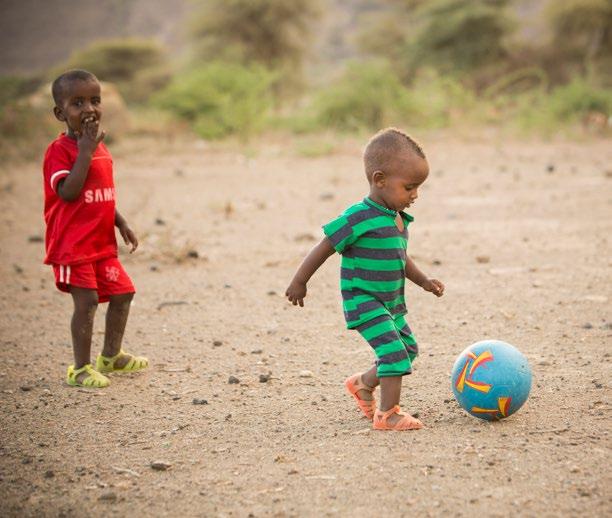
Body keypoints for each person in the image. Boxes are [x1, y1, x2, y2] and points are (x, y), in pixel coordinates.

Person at [286, 128, 444, 430]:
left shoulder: (397, 217)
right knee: (393, 353)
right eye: (409, 187)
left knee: (408, 350)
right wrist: (300, 281)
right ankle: (387, 415)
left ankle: (362, 385)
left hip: (391, 301)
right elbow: (326, 245)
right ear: (379, 179)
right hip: (365, 299)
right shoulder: (358, 216)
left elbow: (400, 257)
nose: (415, 195)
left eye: (418, 187)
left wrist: (423, 280)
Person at [43, 69, 148, 388]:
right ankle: (80, 368)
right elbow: (69, 192)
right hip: (72, 246)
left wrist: (121, 221)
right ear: (60, 113)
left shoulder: (99, 147)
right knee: (86, 302)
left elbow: (99, 194)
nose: (88, 108)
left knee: (123, 293)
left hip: (101, 244)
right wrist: (85, 151)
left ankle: (111, 356)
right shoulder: (59, 152)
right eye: (77, 103)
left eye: (95, 100)